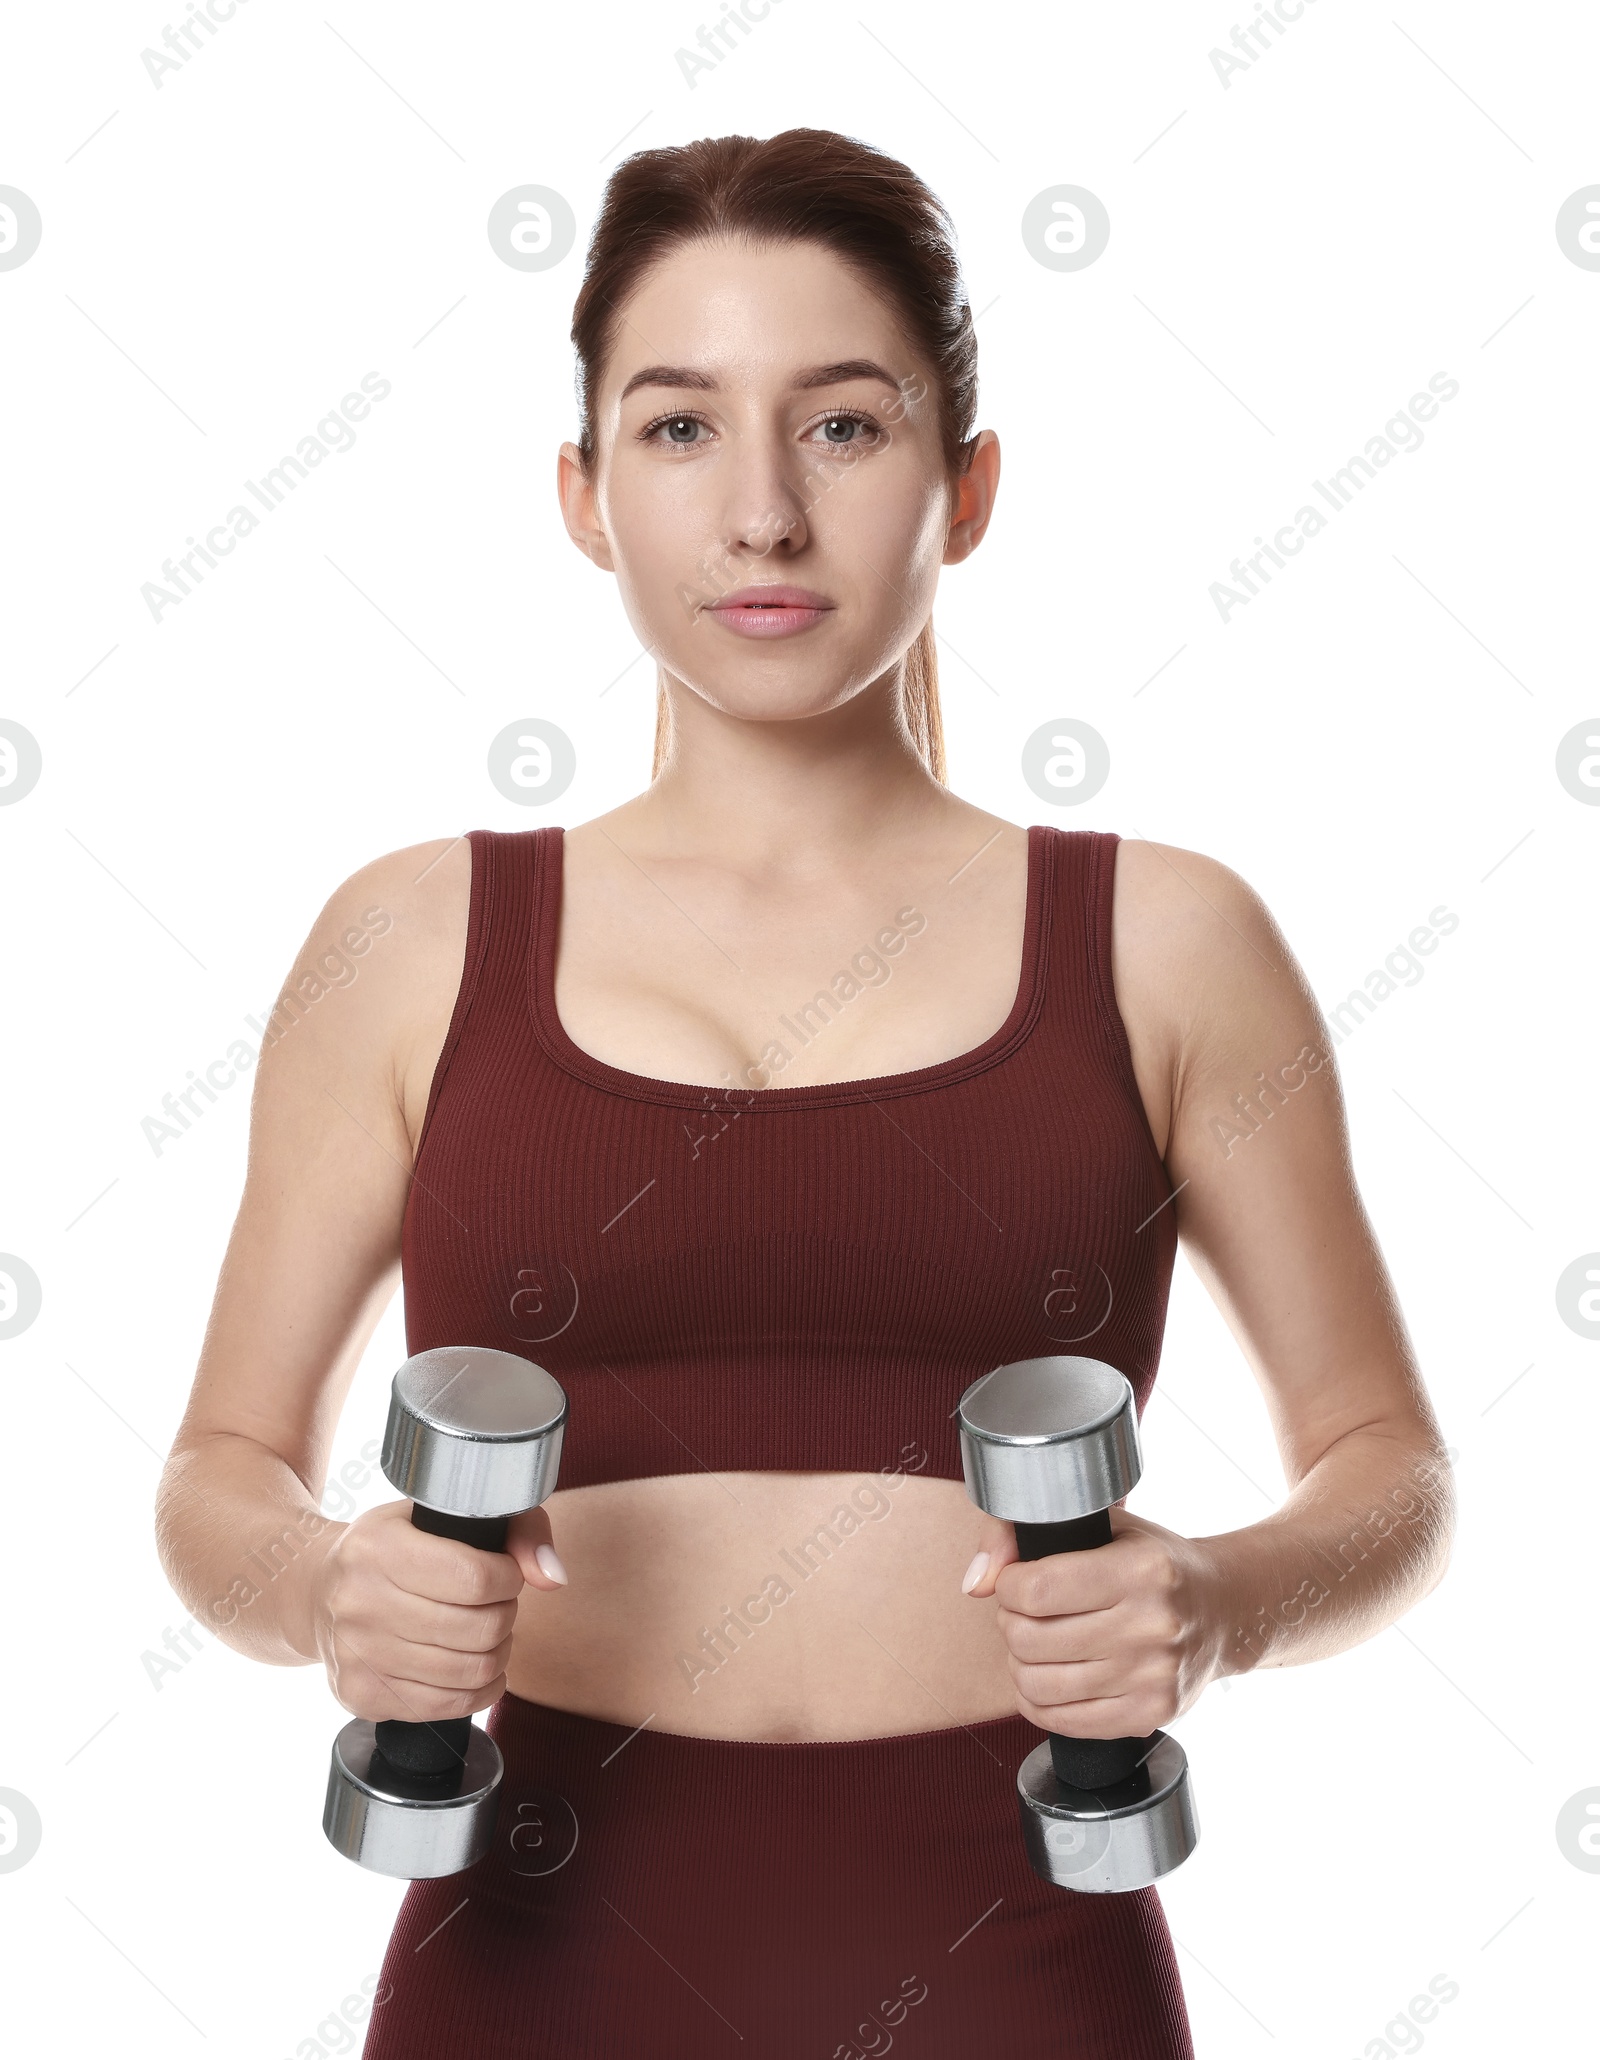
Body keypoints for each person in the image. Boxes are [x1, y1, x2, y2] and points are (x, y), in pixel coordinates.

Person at [155, 129, 1455, 2059]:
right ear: (585, 496)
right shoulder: (413, 942)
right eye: (680, 432)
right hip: (531, 1952)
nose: (761, 515)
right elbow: (214, 1476)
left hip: (1018, 1954)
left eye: (844, 429)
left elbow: (1392, 1469)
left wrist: (1224, 1605)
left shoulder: (1167, 942)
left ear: (968, 483)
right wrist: (320, 1588)